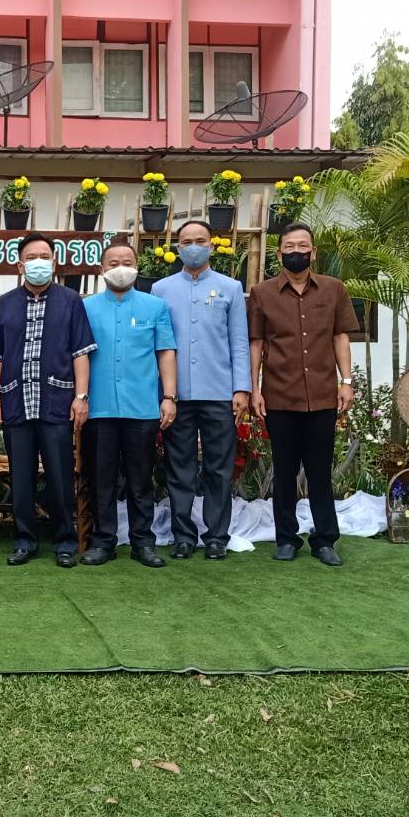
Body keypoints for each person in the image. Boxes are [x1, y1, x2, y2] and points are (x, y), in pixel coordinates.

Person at [249, 223, 360, 567]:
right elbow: (257, 344)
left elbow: (341, 337)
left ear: (313, 252)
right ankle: (286, 538)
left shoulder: (333, 289)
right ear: (279, 252)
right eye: (289, 246)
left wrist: (347, 381)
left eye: (303, 246)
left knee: (319, 472)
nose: (296, 251)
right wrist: (254, 389)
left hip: (323, 396)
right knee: (283, 471)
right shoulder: (262, 293)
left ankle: (324, 540)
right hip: (279, 396)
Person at [0, 233, 96, 568]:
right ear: (20, 265)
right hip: (17, 401)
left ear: (54, 262)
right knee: (21, 475)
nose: (38, 262)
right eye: (31, 257)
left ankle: (64, 540)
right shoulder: (5, 303)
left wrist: (81, 396)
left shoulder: (70, 300)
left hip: (57, 401)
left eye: (44, 256)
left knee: (61, 475)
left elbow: (80, 353)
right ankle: (24, 540)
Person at [152, 219, 251, 561]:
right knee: (179, 467)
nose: (193, 246)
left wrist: (242, 388)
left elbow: (239, 342)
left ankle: (216, 536)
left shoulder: (231, 287)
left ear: (211, 245)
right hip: (176, 395)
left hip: (219, 391)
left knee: (218, 468)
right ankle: (182, 535)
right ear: (177, 247)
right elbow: (157, 344)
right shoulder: (161, 289)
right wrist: (164, 393)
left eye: (200, 240)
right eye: (186, 241)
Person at [80, 242, 178, 568]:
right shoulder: (87, 308)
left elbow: (165, 352)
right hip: (100, 408)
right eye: (113, 262)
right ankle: (103, 541)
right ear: (101, 269)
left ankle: (142, 542)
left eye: (127, 261)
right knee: (101, 480)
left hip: (142, 408)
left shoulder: (155, 307)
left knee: (140, 480)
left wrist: (169, 396)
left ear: (137, 266)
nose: (120, 267)